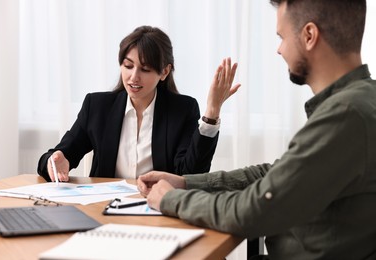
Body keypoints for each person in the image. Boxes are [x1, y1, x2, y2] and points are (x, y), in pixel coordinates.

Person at [137, 1, 376, 259]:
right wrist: (186, 183)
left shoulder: (345, 115)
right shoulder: (362, 100)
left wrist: (171, 199)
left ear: (309, 35)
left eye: (282, 37)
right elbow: (276, 174)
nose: (279, 50)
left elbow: (253, 211)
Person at [37, 25, 240, 182]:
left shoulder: (183, 110)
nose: (134, 77)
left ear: (164, 72)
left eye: (145, 69)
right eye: (128, 66)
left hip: (158, 214)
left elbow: (191, 175)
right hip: (104, 212)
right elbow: (54, 158)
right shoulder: (98, 107)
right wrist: (55, 163)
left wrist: (212, 112)